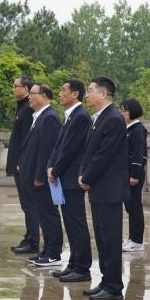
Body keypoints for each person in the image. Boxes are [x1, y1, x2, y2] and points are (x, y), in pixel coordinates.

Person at [78, 77, 129, 300]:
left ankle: (114, 286)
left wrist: (86, 176)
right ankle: (106, 281)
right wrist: (84, 174)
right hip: (99, 187)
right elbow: (89, 152)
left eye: (90, 90)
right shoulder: (99, 118)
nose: (87, 95)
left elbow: (104, 155)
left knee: (110, 239)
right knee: (101, 238)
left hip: (109, 189)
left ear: (104, 93)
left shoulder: (113, 119)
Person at [47, 80, 94, 283]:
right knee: (70, 223)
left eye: (63, 90)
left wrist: (56, 170)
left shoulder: (81, 116)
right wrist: (51, 166)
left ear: (75, 94)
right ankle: (74, 263)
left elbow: (71, 149)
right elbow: (58, 146)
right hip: (62, 177)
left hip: (72, 178)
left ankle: (82, 268)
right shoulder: (69, 116)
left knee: (77, 223)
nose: (59, 94)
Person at [19, 84, 63, 267]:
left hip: (43, 178)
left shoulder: (49, 117)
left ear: (43, 96)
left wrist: (39, 177)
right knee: (43, 215)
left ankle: (54, 254)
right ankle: (47, 251)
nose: (29, 96)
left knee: (49, 214)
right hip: (34, 177)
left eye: (32, 93)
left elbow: (47, 151)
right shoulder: (39, 116)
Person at [8, 76, 39, 255]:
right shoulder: (22, 107)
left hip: (24, 165)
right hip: (19, 164)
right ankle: (29, 237)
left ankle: (33, 242)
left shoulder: (28, 109)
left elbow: (28, 140)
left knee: (29, 204)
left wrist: (21, 162)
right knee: (25, 204)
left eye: (16, 86)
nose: (13, 89)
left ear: (26, 89)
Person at [120, 99, 147, 251]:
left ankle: (137, 241)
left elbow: (138, 155)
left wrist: (135, 175)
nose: (123, 114)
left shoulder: (137, 130)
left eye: (125, 111)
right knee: (130, 207)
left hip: (133, 174)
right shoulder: (128, 129)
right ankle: (132, 238)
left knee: (135, 207)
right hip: (126, 173)